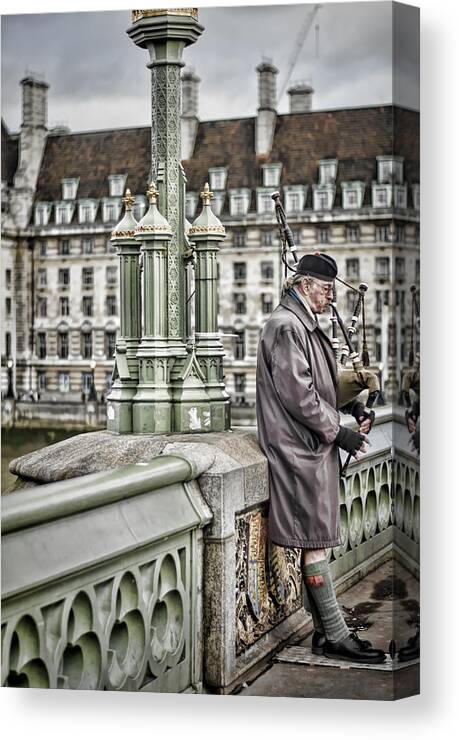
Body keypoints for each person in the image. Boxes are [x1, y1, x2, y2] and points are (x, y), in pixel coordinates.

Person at [256, 252, 386, 664]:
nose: (331, 298)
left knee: (316, 542)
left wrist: (352, 410)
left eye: (332, 290)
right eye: (326, 290)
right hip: (298, 451)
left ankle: (324, 632)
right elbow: (300, 398)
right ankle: (335, 635)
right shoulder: (285, 326)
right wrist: (341, 431)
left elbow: (321, 388)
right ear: (302, 285)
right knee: (314, 544)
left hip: (310, 447)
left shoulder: (303, 325)